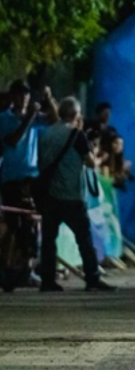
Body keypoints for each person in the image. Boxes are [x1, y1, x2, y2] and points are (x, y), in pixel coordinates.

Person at [37, 97, 115, 292]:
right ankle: (92, 278)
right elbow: (90, 163)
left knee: (49, 240)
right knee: (84, 240)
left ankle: (47, 279)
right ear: (76, 115)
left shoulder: (46, 134)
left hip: (50, 195)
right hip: (71, 195)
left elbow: (41, 162)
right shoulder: (75, 135)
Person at [0, 80, 58, 291]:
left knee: (32, 225)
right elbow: (13, 140)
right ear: (12, 97)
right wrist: (31, 116)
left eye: (26, 94)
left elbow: (54, 119)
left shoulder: (35, 117)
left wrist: (48, 98)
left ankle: (27, 269)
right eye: (18, 94)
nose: (23, 98)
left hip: (31, 177)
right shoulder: (4, 119)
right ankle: (6, 267)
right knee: (14, 225)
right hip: (12, 178)